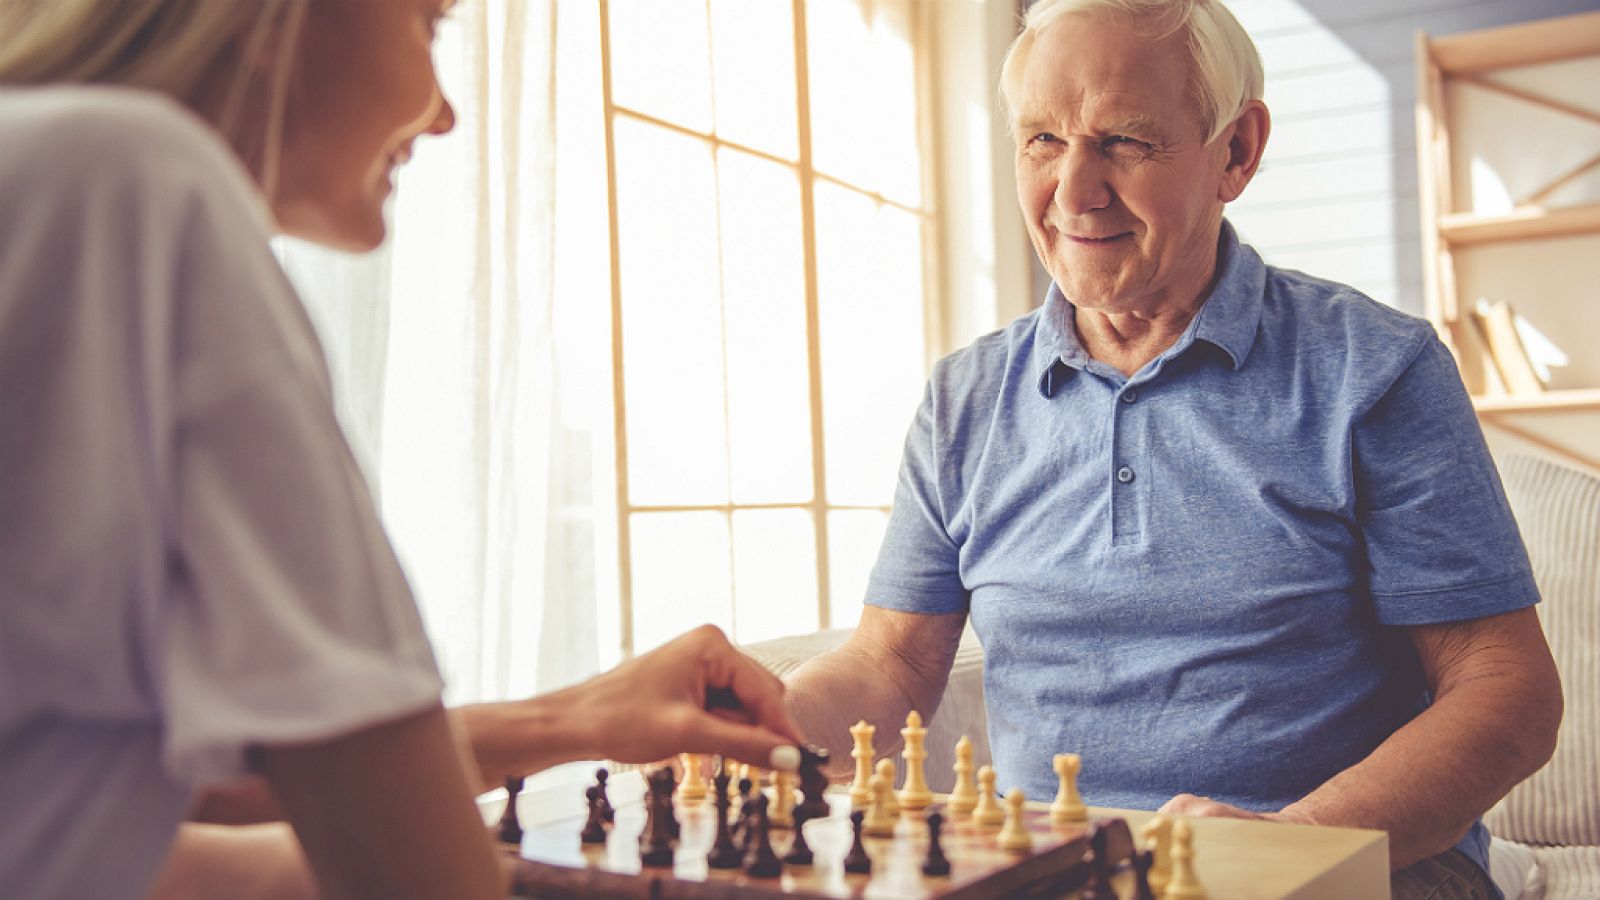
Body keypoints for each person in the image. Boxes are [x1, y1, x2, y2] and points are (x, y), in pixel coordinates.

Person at [0, 2, 803, 898]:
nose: (444, 112)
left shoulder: (46, 174)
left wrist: (575, 717)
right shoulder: (131, 181)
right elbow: (417, 875)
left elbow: (117, 821)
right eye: (431, 24)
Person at [782, 1, 1562, 898]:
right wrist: (765, 720)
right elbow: (893, 663)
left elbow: (1506, 688)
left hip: (1347, 863)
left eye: (1125, 141)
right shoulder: (965, 399)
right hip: (1060, 872)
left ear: (1236, 152)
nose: (1073, 192)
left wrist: (1295, 841)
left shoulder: (1377, 368)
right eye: (1042, 139)